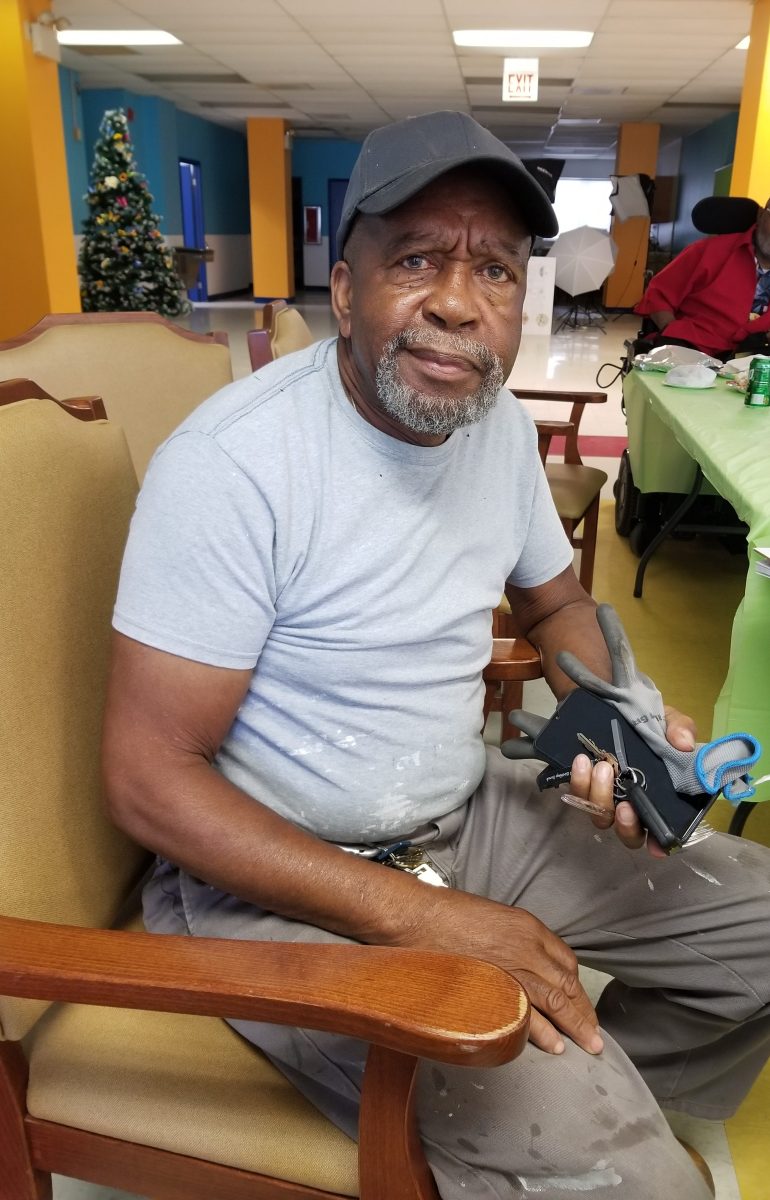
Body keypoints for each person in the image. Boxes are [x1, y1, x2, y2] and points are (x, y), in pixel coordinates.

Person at [102, 111, 770, 1200]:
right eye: (416, 257)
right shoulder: (234, 467)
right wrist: (427, 917)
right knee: (638, 1184)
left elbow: (553, 603)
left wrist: (619, 715)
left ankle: (581, 1125)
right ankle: (583, 1151)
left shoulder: (493, 427)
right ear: (347, 276)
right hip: (276, 877)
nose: (458, 302)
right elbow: (146, 782)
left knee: (754, 938)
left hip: (463, 815)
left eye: (494, 270)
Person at [635, 198, 770, 360]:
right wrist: (673, 333)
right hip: (694, 347)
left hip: (756, 357)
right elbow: (658, 295)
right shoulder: (708, 251)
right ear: (761, 215)